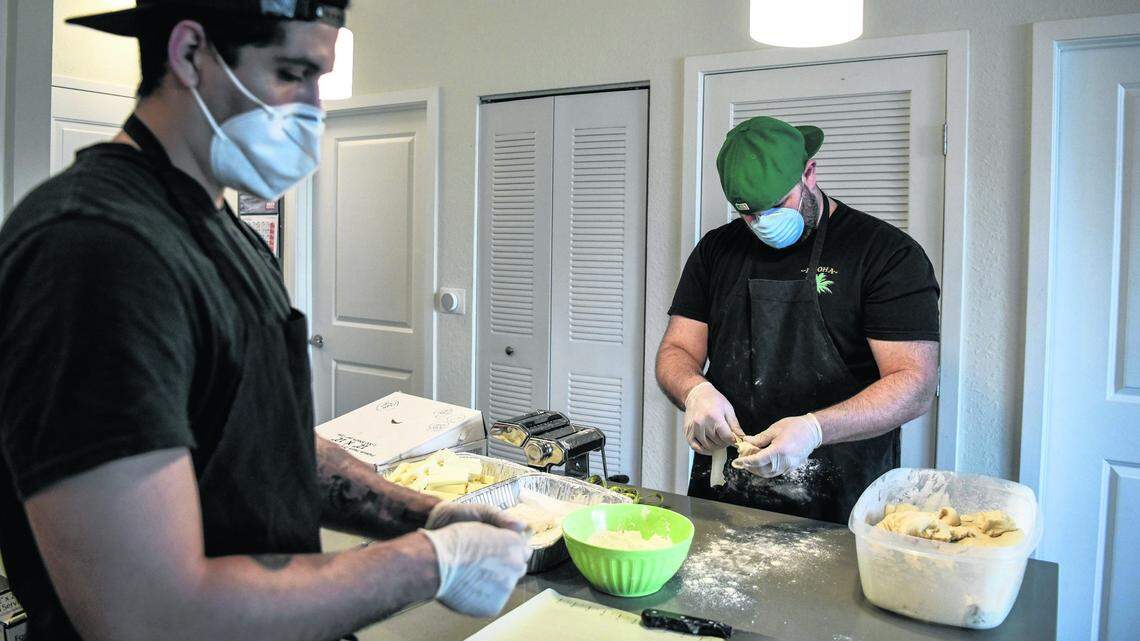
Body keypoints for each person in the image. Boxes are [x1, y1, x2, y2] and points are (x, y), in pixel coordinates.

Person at [0, 2, 529, 640]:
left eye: (319, 81)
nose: (314, 108)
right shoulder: (95, 250)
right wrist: (429, 564)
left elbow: (261, 442)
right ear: (190, 53)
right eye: (291, 72)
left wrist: (426, 516)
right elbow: (146, 615)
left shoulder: (225, 234)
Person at [656, 116, 941, 524]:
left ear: (809, 173)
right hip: (726, 494)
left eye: (778, 205)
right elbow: (677, 349)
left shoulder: (885, 254)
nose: (762, 223)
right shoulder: (716, 251)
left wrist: (814, 429)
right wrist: (694, 391)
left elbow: (914, 384)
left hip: (841, 498)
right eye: (750, 214)